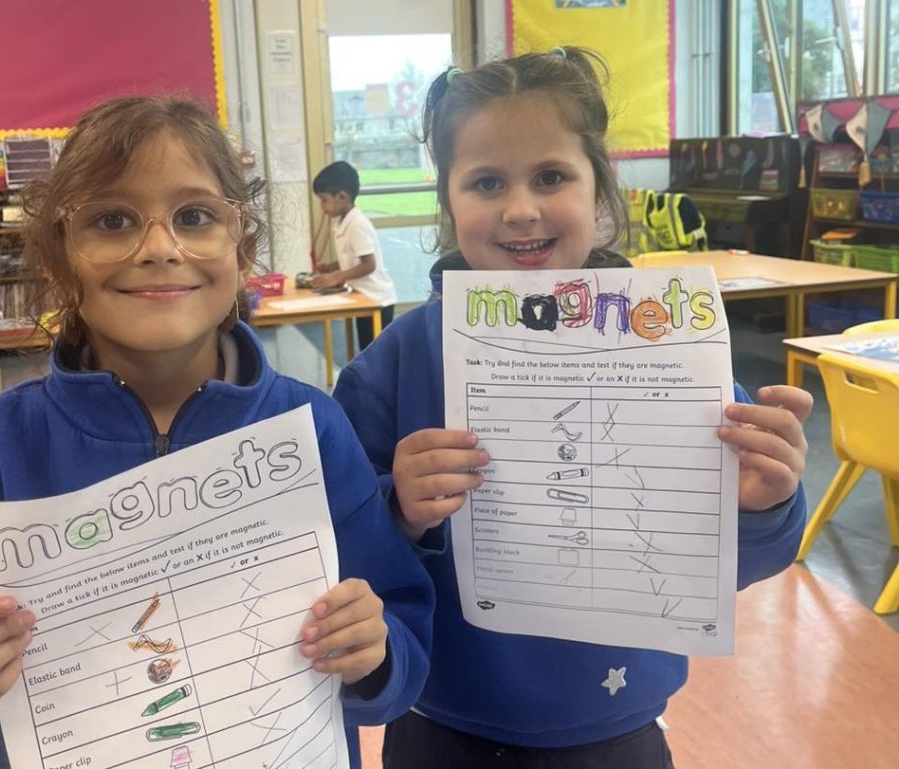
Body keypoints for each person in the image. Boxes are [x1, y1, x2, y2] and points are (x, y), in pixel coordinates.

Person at [0, 96, 433, 769]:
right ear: (61, 257)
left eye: (195, 216)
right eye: (112, 220)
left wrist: (374, 654)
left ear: (242, 248)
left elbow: (401, 645)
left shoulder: (310, 431)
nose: (160, 248)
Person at [334, 49, 812, 768]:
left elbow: (744, 561)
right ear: (449, 203)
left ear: (598, 192)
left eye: (551, 176)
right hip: (441, 726)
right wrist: (396, 508)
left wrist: (764, 502)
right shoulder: (393, 366)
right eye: (486, 182)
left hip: (616, 729)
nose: (521, 209)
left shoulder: (672, 346)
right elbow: (341, 556)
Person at [311, 160, 397, 350]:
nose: (322, 206)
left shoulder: (357, 224)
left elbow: (369, 264)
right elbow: (352, 255)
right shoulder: (341, 221)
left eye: (324, 200)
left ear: (342, 196)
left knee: (377, 353)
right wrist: (333, 266)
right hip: (363, 297)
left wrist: (337, 277)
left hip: (377, 300)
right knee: (367, 349)